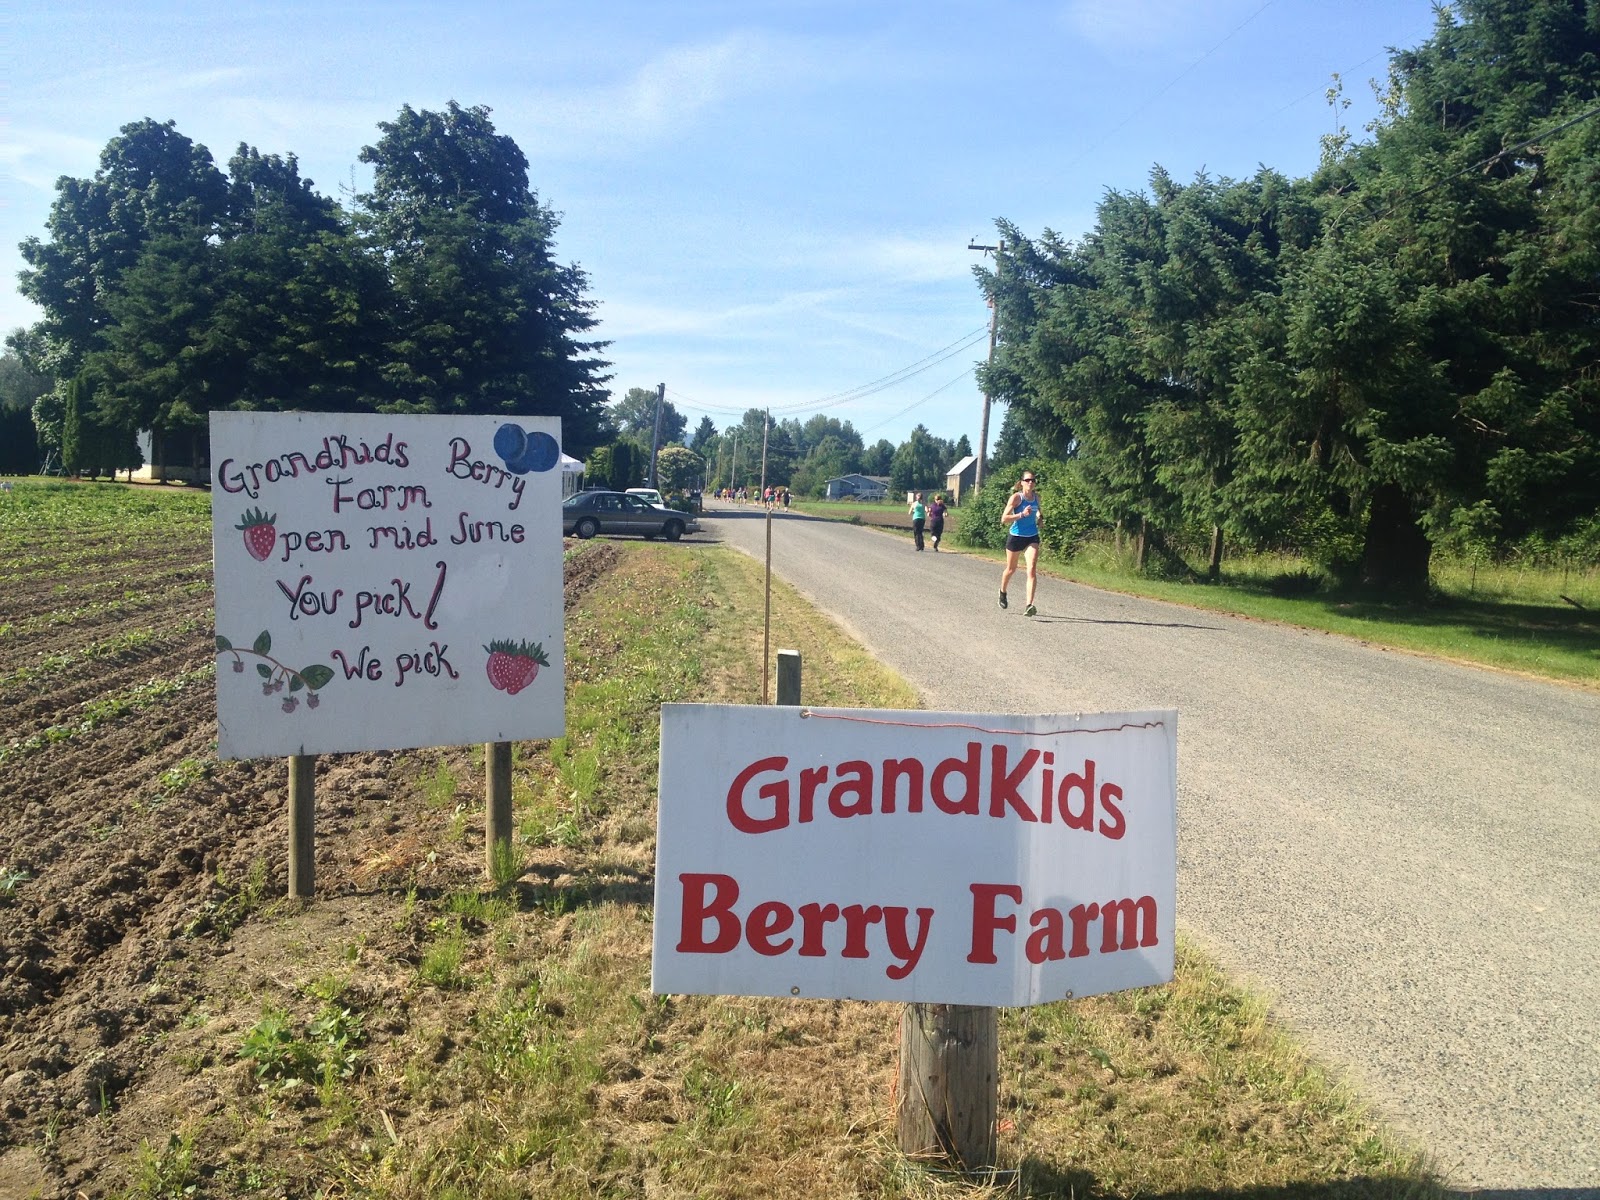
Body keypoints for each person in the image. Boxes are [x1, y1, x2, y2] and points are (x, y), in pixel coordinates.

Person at [999, 472, 1041, 616]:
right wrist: (1022, 514)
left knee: (1032, 569)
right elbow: (1004, 519)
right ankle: (1002, 592)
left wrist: (1040, 519)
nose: (1030, 482)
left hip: (1032, 537)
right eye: (1027, 480)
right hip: (1016, 536)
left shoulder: (1037, 498)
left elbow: (1038, 513)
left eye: (1033, 480)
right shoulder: (1017, 498)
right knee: (1011, 569)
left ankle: (1029, 605)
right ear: (1021, 482)